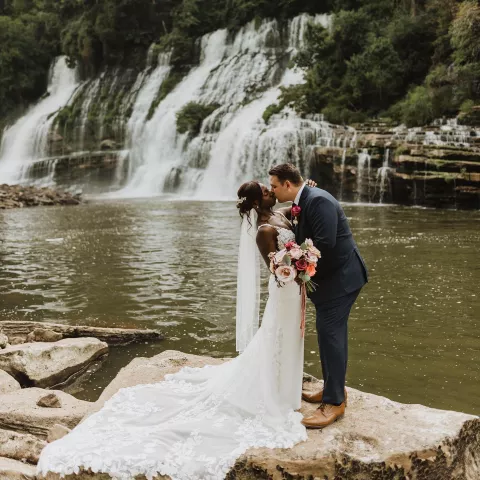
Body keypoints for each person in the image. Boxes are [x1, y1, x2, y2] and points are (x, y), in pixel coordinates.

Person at [36, 180, 314, 480]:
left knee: (285, 337)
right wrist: (296, 266)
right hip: (285, 287)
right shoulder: (262, 229)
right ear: (258, 201)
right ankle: (276, 390)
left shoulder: (279, 214)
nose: (272, 192)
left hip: (295, 289)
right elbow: (275, 267)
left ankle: (285, 384)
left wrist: (306, 192)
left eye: (271, 188)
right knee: (276, 336)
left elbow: (293, 208)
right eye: (266, 190)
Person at [269, 163, 368, 429]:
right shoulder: (305, 199)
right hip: (331, 280)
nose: (272, 190)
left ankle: (334, 402)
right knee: (328, 335)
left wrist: (294, 263)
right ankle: (330, 390)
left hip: (342, 280)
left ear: (288, 184)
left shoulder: (319, 200)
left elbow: (324, 244)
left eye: (274, 185)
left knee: (331, 336)